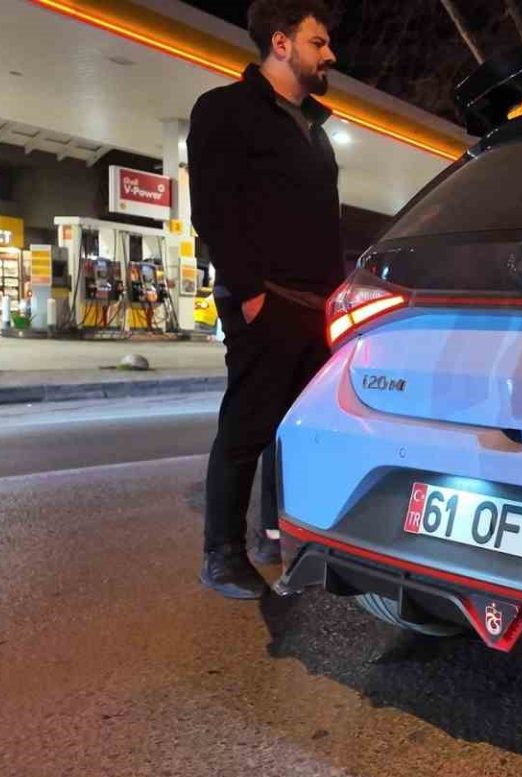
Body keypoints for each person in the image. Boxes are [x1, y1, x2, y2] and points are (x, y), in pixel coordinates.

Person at [189, 0, 343, 599]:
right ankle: (221, 554)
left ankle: (275, 536)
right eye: (317, 42)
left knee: (294, 433)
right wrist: (250, 292)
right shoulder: (226, 109)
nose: (329, 55)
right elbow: (213, 207)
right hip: (267, 300)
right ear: (281, 43)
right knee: (247, 427)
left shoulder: (315, 131)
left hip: (315, 306)